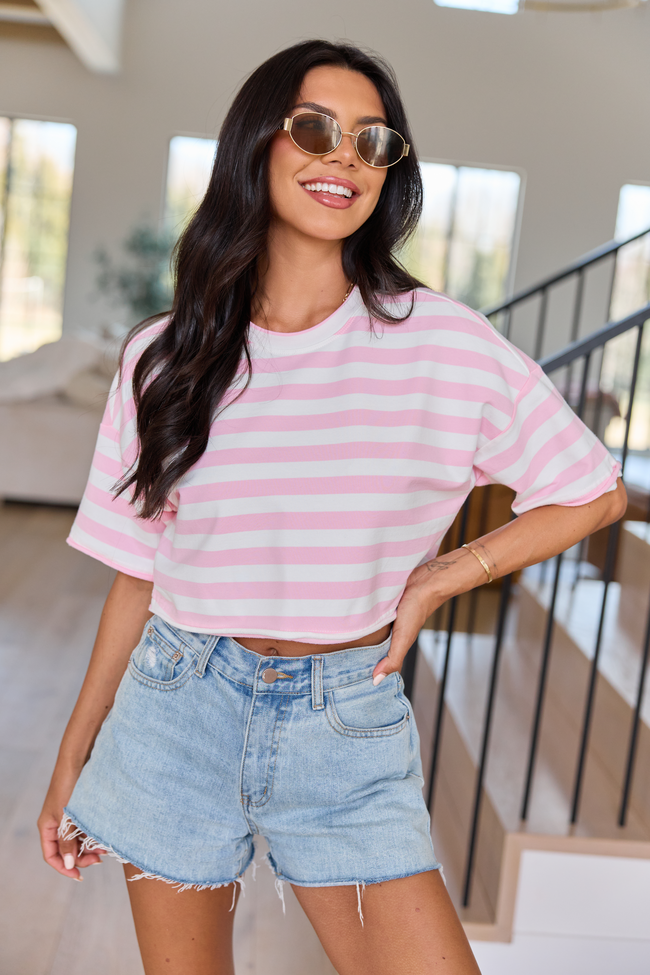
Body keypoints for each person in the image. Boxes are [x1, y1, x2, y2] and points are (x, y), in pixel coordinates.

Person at [38, 39, 626, 975]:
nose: (343, 155)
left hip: (344, 721)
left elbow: (595, 490)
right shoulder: (166, 356)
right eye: (314, 129)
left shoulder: (444, 344)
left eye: (372, 140)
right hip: (175, 707)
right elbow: (136, 574)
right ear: (257, 147)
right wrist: (76, 755)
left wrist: (443, 576)